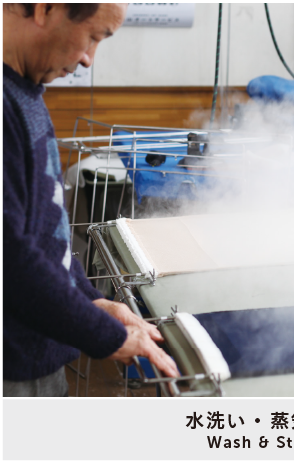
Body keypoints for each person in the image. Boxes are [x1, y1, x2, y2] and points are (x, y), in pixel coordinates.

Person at [3, 3, 179, 397]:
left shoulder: (24, 91)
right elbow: (10, 257)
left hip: (39, 355)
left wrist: (93, 303)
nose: (88, 59)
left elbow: (45, 238)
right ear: (46, 9)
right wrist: (103, 334)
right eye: (93, 37)